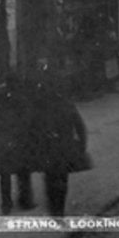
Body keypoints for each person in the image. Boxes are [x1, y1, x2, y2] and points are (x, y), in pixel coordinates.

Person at [28, 62, 90, 217]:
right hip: (64, 147)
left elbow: (34, 127)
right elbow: (80, 127)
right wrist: (81, 147)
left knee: (50, 178)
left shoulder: (41, 106)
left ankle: (53, 208)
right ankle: (59, 209)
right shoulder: (66, 105)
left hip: (48, 147)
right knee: (62, 179)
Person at [0, 74, 36, 215]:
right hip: (18, 139)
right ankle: (25, 200)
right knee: (23, 171)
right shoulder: (22, 99)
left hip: (1, 139)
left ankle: (6, 204)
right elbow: (27, 119)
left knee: (5, 173)